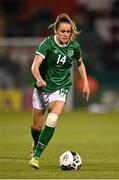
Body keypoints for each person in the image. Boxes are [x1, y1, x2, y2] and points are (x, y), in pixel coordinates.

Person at [29, 13, 90, 169]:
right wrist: (39, 79)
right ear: (56, 30)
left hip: (61, 87)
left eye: (68, 32)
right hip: (42, 88)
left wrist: (85, 83)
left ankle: (35, 157)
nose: (65, 34)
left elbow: (80, 63)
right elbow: (34, 66)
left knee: (52, 119)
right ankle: (35, 142)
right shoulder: (47, 44)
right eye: (62, 31)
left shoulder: (74, 47)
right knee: (36, 127)